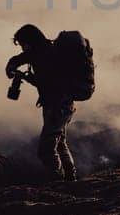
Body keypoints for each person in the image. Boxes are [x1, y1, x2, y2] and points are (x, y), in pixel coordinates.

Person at [6, 23, 77, 182]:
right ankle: (70, 179)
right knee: (59, 144)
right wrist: (12, 64)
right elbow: (21, 58)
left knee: (46, 150)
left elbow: (46, 82)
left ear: (30, 41)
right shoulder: (44, 50)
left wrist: (24, 77)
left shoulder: (45, 55)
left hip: (57, 107)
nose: (23, 48)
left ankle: (57, 181)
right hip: (63, 105)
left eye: (23, 44)